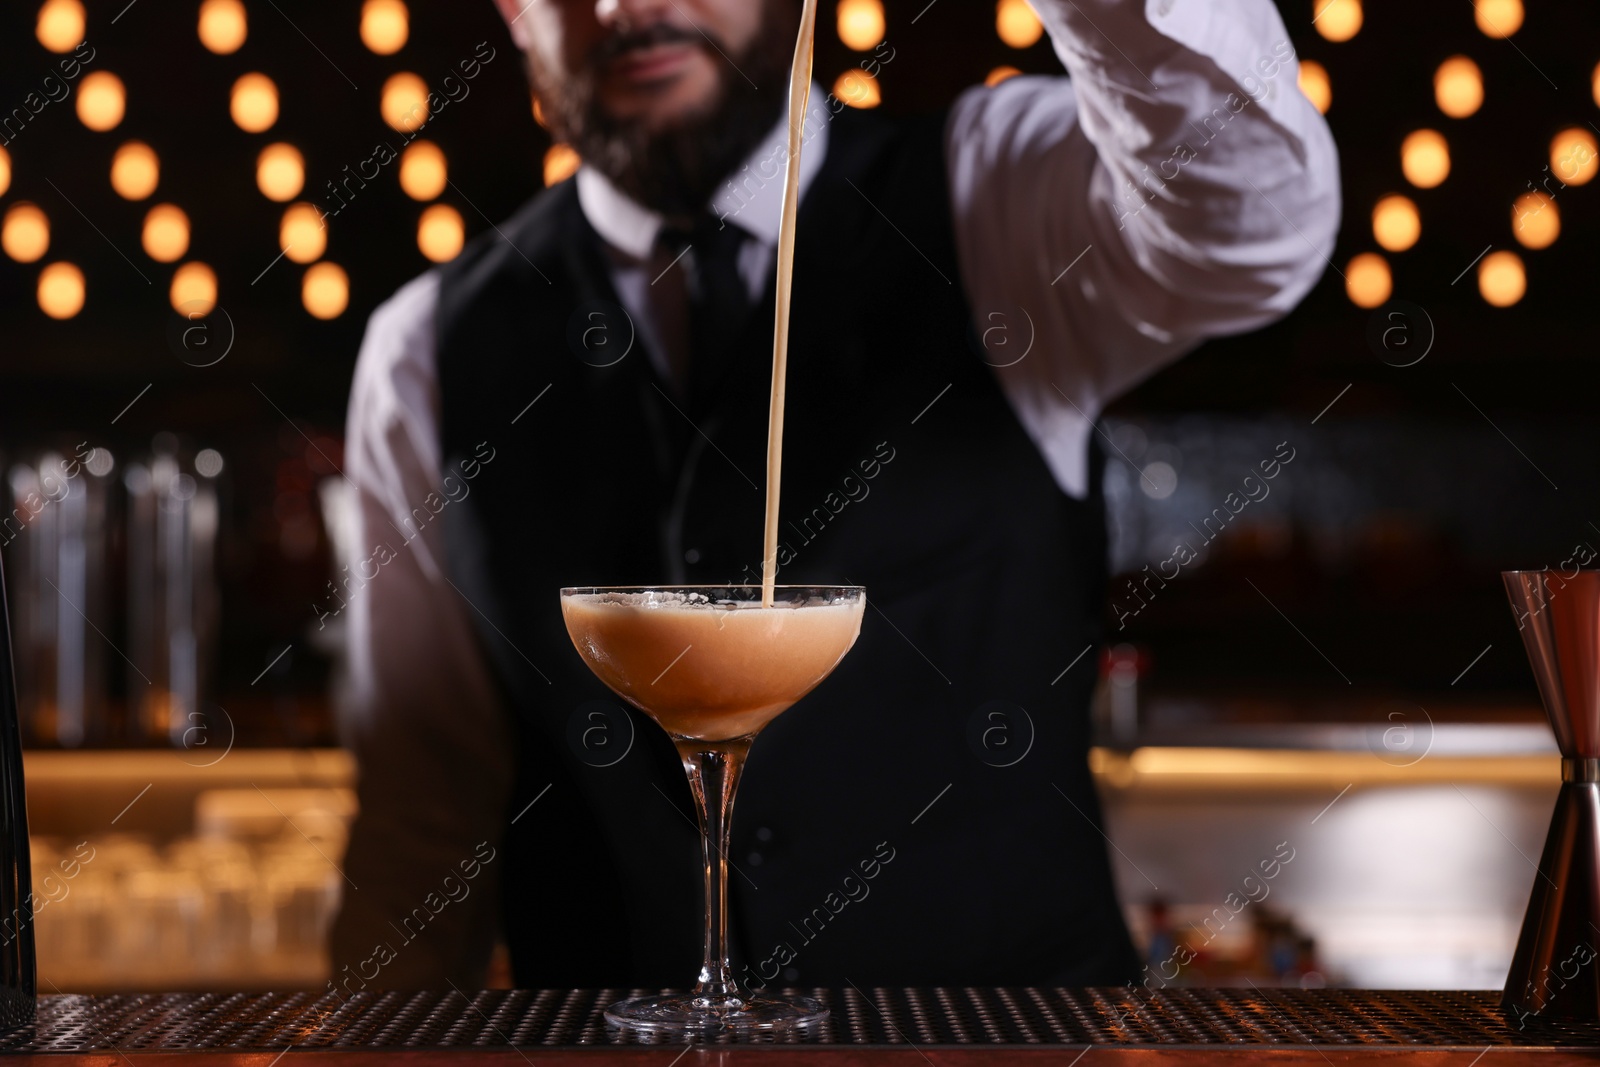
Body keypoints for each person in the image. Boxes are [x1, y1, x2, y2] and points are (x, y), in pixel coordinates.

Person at [329, 0, 1339, 992]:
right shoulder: (424, 349)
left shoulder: (991, 190)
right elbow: (420, 816)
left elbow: (1250, 234)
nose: (622, 6)